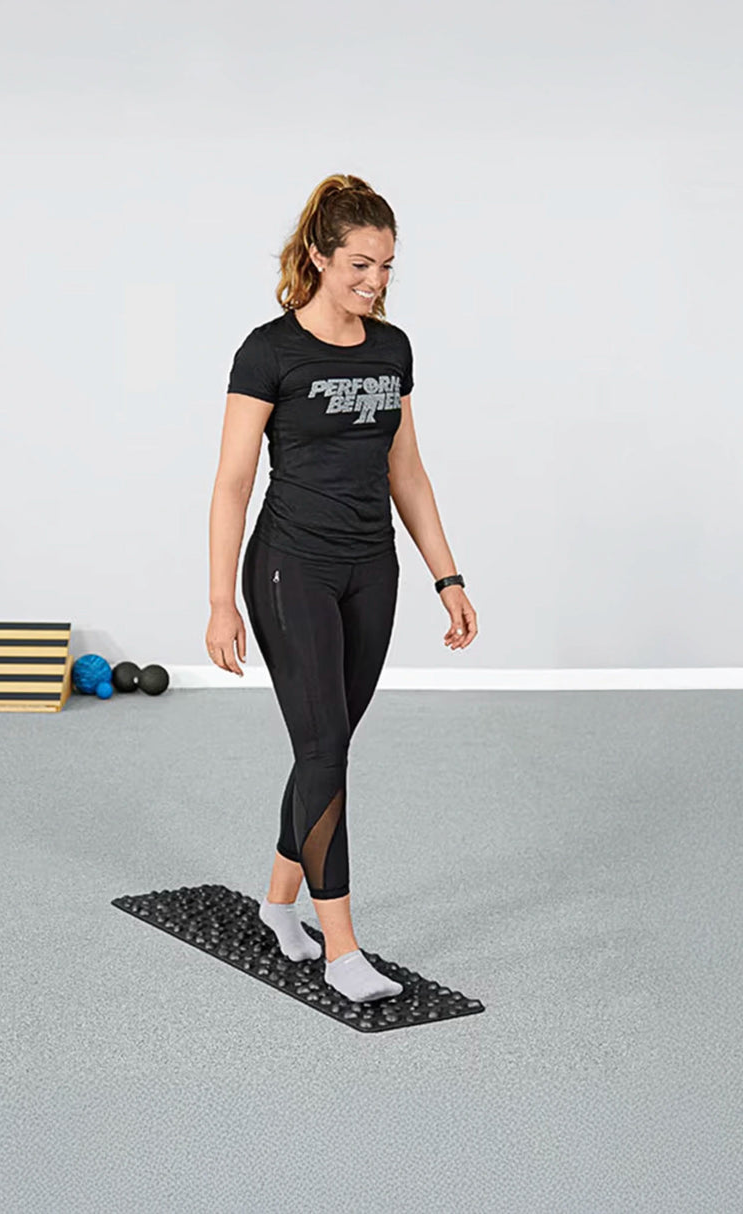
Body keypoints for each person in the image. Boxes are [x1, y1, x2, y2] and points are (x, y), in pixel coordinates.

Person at [206, 173, 478, 1003]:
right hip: (291, 567)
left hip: (372, 569)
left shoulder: (392, 350)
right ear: (320, 256)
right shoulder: (269, 352)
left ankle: (278, 902)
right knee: (325, 749)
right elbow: (232, 484)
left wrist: (447, 575)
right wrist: (220, 603)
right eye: (361, 263)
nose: (375, 280)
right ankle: (343, 949)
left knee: (326, 747)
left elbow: (408, 472)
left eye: (387, 266)